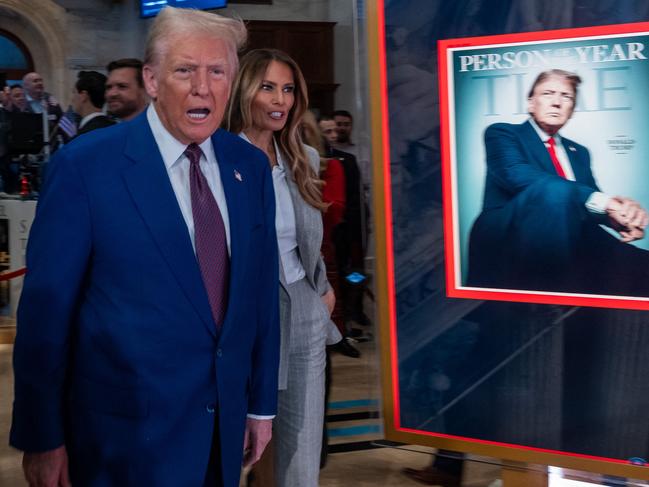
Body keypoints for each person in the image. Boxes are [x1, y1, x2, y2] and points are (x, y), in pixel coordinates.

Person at [10, 7, 279, 487]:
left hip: (221, 435)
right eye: (184, 70)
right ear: (152, 80)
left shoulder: (250, 167)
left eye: (217, 71)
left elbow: (258, 297)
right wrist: (42, 435)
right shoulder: (86, 167)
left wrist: (260, 406)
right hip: (119, 442)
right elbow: (46, 314)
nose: (202, 86)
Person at [226, 48, 341, 487]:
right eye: (268, 87)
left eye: (288, 89)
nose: (280, 100)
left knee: (299, 459)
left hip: (304, 312)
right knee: (233, 453)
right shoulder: (216, 159)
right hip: (241, 322)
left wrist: (323, 292)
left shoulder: (303, 158)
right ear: (244, 91)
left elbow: (309, 239)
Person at [468, 69, 649, 296]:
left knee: (641, 264)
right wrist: (605, 202)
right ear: (531, 103)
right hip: (509, 235)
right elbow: (515, 174)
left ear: (572, 110)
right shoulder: (503, 133)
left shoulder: (579, 152)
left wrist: (619, 216)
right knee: (554, 188)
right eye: (548, 93)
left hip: (574, 239)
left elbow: (590, 201)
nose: (556, 102)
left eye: (566, 97)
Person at [71, 70, 115, 136]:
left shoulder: (83, 136)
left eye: (74, 92)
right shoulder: (115, 128)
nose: (72, 99)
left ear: (83, 96)